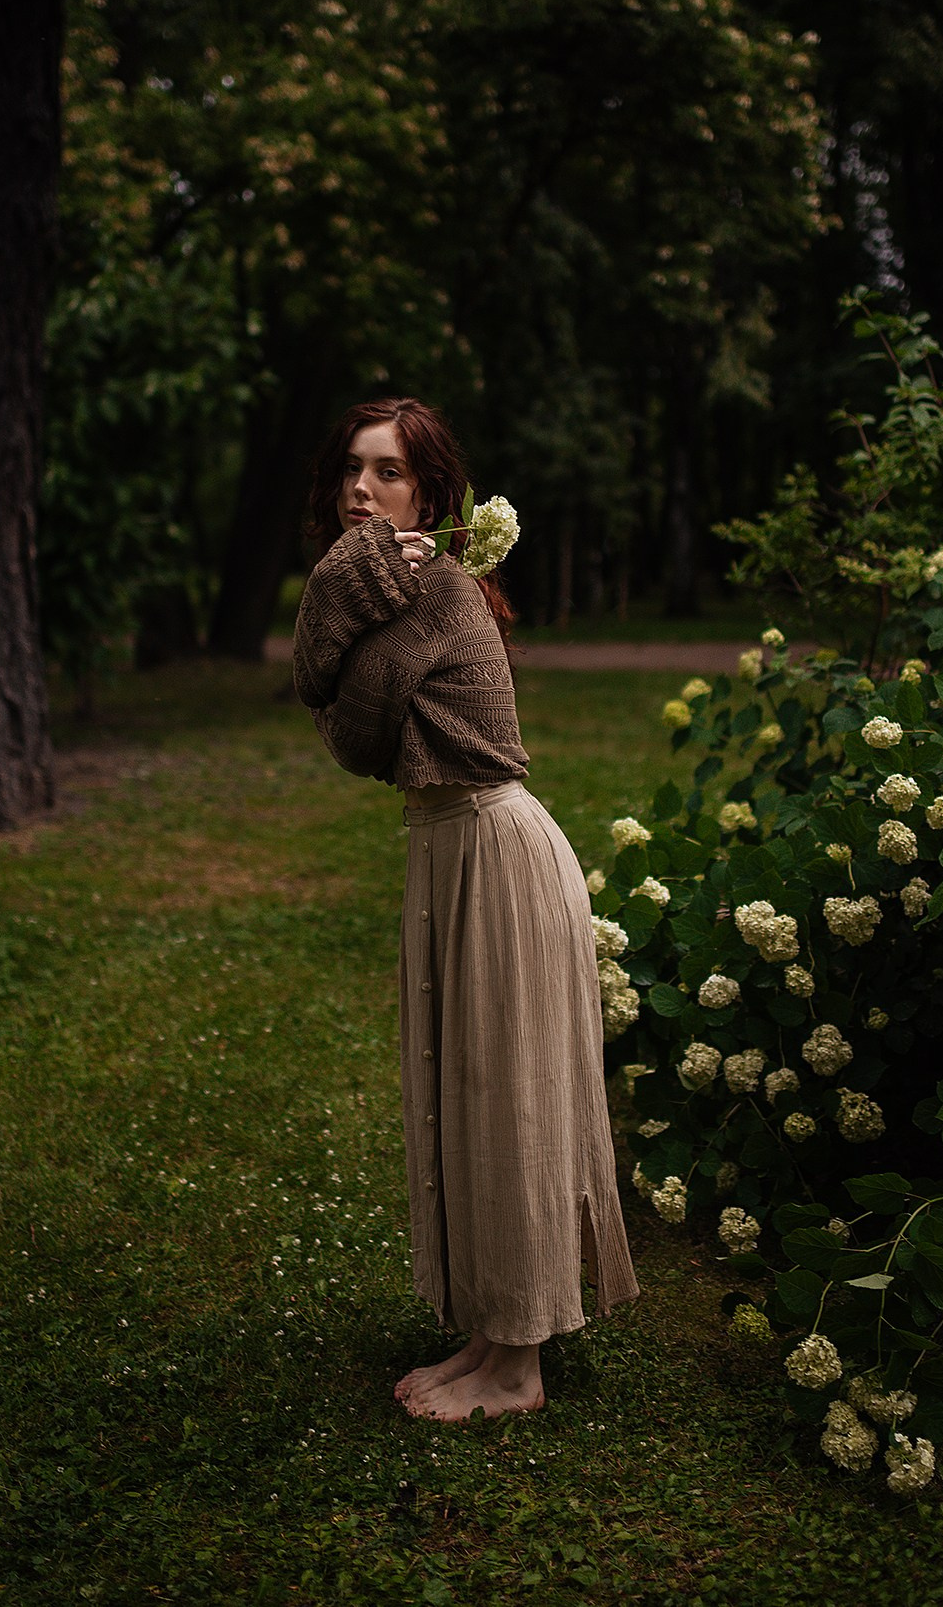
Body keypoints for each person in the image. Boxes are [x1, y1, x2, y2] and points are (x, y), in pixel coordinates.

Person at [292, 396, 638, 1421]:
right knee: (472, 1097)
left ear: (432, 494)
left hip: (494, 849)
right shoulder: (388, 589)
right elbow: (335, 698)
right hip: (447, 848)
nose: (361, 489)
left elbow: (348, 724)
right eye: (353, 469)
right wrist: (343, 593)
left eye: (388, 472)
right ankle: (494, 1334)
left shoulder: (433, 594)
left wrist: (332, 585)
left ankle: (518, 1371)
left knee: (507, 1100)